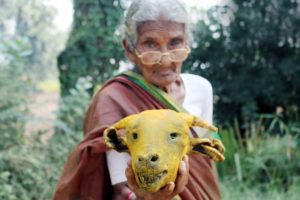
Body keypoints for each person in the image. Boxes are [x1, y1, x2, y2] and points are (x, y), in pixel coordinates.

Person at [54, 0, 221, 199]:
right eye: (150, 44)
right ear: (130, 50)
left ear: (187, 43)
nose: (166, 59)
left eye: (175, 42)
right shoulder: (114, 99)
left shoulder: (201, 88)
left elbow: (204, 166)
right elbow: (122, 189)